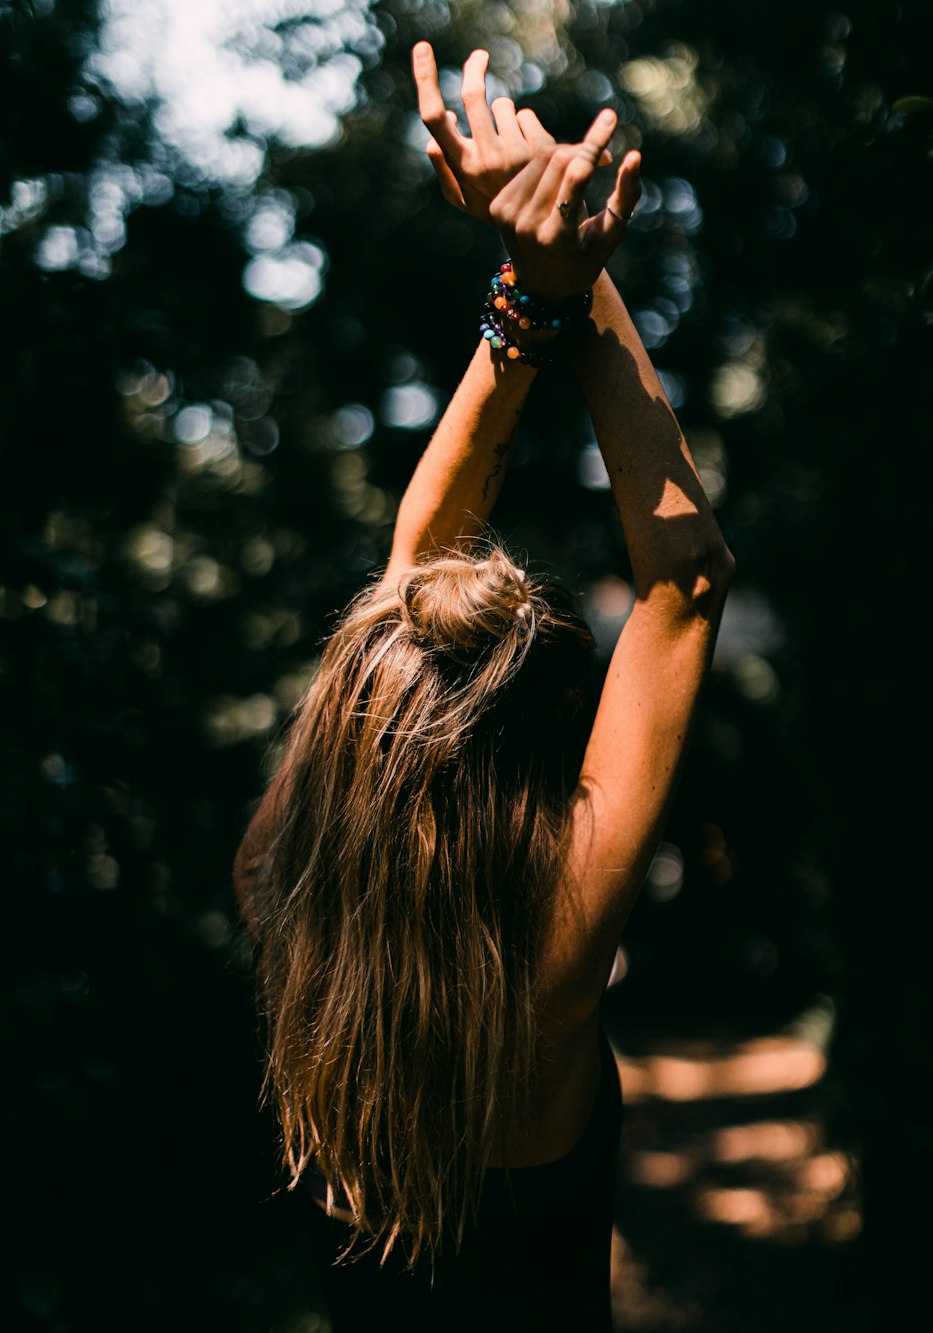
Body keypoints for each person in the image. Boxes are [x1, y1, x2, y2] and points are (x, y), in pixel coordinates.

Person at [233, 41, 734, 1332]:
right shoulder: (548, 962)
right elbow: (680, 580)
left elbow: (417, 578)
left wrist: (532, 287)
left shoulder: (290, 884)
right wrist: (574, 270)